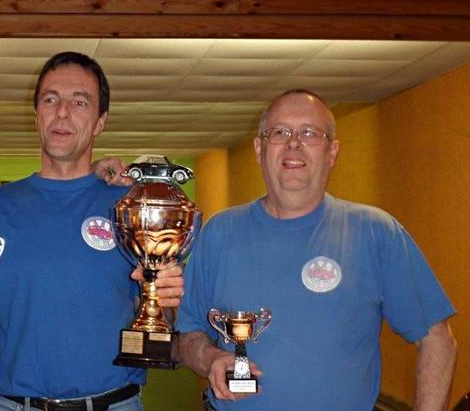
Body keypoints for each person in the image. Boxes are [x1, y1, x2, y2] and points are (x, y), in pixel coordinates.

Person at [0, 52, 185, 410]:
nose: (62, 112)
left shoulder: (131, 208)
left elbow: (163, 324)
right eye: (50, 99)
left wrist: (168, 297)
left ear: (100, 121)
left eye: (79, 102)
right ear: (36, 113)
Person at [177, 89, 457, 411]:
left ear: (332, 152)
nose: (293, 143)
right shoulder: (219, 232)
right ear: (259, 149)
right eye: (280, 132)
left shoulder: (375, 232)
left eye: (309, 133)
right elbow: (188, 335)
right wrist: (210, 357)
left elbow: (438, 341)